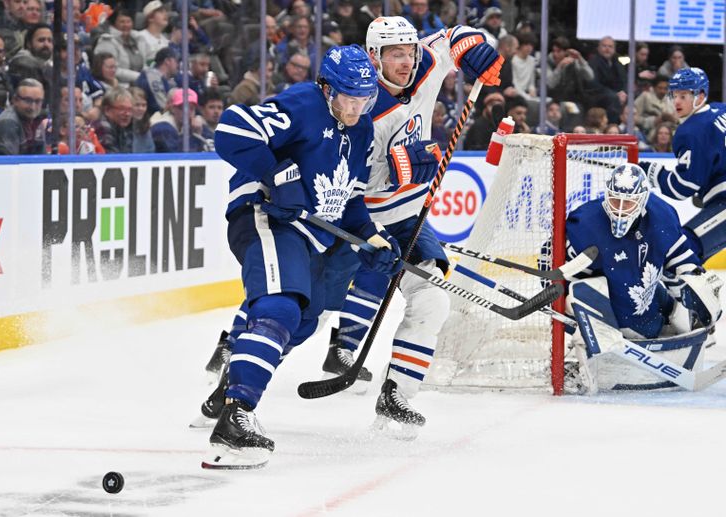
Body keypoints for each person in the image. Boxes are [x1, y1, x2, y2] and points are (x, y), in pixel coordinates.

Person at [199, 17, 503, 438]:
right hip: (353, 216)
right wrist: (399, 168)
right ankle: (239, 369)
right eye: (395, 54)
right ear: (373, 57)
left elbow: (453, 37)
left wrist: (475, 48)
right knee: (309, 312)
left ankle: (397, 397)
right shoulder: (356, 107)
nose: (406, 61)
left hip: (400, 216)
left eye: (409, 51)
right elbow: (349, 186)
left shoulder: (419, 68)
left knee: (431, 297)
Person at [202, 45, 399, 470]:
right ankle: (236, 417)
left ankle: (235, 380)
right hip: (265, 214)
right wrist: (275, 173)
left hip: (308, 233)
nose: (357, 107)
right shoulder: (303, 103)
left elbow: (349, 200)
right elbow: (231, 130)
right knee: (280, 306)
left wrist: (372, 237)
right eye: (349, 97)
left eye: (365, 99)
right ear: (327, 88)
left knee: (305, 320)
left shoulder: (361, 127)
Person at [559, 163, 721, 392]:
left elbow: (683, 259)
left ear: (643, 200)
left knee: (691, 302)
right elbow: (570, 281)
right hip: (619, 316)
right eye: (616, 201)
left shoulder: (661, 215)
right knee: (580, 294)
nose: (621, 210)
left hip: (651, 297)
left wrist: (698, 287)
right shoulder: (586, 225)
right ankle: (589, 360)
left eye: (629, 203)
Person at [638, 68, 726, 262]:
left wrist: (652, 171)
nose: (677, 101)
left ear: (701, 95)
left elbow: (682, 188)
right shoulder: (721, 109)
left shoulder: (691, 131)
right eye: (674, 95)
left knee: (682, 251)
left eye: (684, 96)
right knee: (691, 254)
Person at [0, 78, 46, 155]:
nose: (33, 107)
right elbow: (9, 163)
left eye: (38, 101)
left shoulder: (37, 119)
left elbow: (43, 159)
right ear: (15, 100)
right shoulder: (7, 123)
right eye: (28, 100)